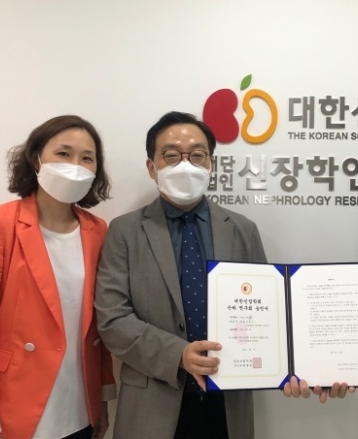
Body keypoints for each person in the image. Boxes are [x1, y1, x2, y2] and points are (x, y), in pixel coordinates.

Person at [94, 111, 266, 439]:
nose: (185, 164)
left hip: (227, 401)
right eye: (171, 155)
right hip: (151, 401)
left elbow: (264, 314)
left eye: (197, 155)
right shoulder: (125, 232)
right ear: (152, 167)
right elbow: (112, 320)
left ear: (212, 164)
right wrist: (178, 355)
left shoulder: (243, 230)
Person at [0, 115, 116, 439]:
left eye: (87, 158)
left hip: (79, 408)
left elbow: (99, 327)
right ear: (36, 158)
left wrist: (102, 398)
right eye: (63, 153)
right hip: (12, 411)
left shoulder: (98, 231)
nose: (75, 166)